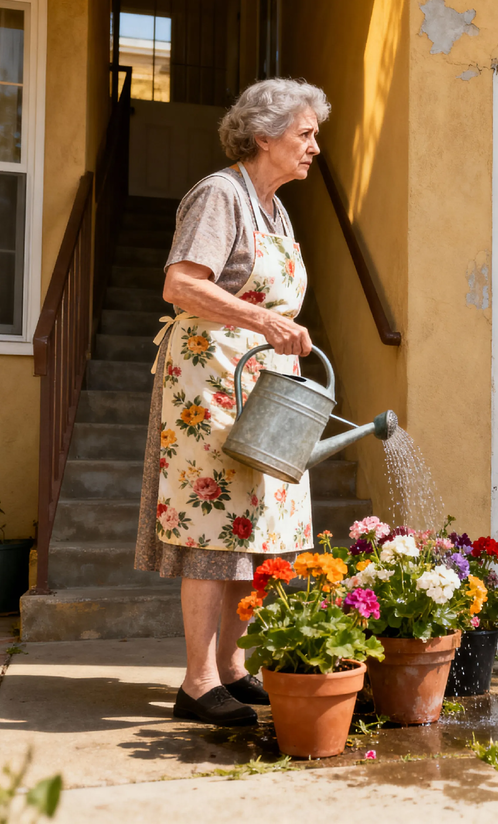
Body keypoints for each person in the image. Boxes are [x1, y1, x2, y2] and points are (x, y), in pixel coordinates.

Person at [134, 79, 328, 725]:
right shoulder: (221, 194)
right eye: (305, 134)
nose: (314, 147)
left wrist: (280, 338)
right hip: (209, 383)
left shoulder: (275, 209)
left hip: (256, 382)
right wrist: (265, 324)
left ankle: (231, 670)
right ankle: (194, 684)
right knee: (212, 526)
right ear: (264, 134)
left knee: (256, 530)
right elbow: (181, 284)